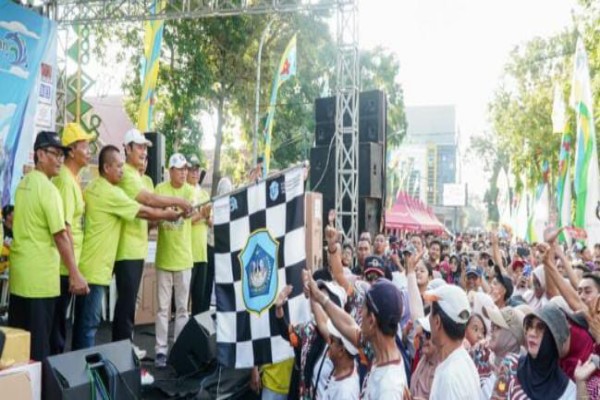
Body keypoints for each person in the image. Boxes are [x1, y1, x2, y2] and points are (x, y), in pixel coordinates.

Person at [72, 146, 181, 350]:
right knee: (89, 325)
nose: (122, 171)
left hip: (89, 263)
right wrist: (170, 213)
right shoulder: (111, 193)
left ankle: (81, 362)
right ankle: (84, 366)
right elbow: (144, 210)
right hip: (96, 268)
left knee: (82, 323)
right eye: (119, 166)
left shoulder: (93, 187)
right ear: (106, 168)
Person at [8, 131, 89, 361]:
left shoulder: (23, 185)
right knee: (40, 351)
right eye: (55, 153)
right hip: (41, 283)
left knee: (17, 350)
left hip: (20, 279)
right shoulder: (49, 190)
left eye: (62, 154)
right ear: (40, 155)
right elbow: (61, 235)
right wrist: (75, 273)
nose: (60, 159)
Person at [113, 129, 192, 344]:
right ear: (127, 148)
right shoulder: (126, 174)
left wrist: (163, 215)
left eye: (145, 148)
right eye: (139, 147)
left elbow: (148, 215)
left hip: (136, 249)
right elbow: (148, 201)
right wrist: (174, 206)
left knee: (130, 306)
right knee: (127, 307)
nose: (144, 152)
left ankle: (126, 349)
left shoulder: (138, 176)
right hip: (127, 250)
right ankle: (122, 353)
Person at [308, 276, 410, 398]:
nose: (360, 314)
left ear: (371, 321)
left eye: (363, 309)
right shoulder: (377, 349)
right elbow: (348, 325)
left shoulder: (388, 388)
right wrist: (319, 297)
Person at [50, 122, 94, 355]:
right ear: (71, 150)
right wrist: (73, 271)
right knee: (56, 329)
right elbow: (63, 229)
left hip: (66, 265)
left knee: (59, 326)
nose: (89, 151)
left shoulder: (72, 179)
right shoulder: (66, 182)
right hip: (61, 267)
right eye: (85, 146)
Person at [153, 153, 196, 367]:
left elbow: (191, 212)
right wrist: (165, 212)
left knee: (182, 309)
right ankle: (160, 351)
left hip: (184, 259)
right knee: (162, 309)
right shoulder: (160, 189)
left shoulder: (190, 190)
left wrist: (183, 211)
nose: (184, 172)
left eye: (185, 169)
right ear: (170, 170)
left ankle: (178, 349)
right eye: (179, 169)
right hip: (164, 258)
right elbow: (153, 214)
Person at [494, 303, 576, 399]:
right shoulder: (510, 365)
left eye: (540, 328)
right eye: (529, 326)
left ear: (553, 337)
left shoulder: (569, 391)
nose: (531, 333)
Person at [423, 284, 482, 399]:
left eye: (430, 313)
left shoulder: (450, 377)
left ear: (437, 322)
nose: (429, 318)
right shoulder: (461, 360)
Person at [470, 305, 525, 398]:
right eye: (492, 325)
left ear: (512, 337)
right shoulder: (481, 357)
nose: (491, 330)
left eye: (497, 327)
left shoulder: (520, 376)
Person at [187, 155, 211, 314]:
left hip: (202, 253)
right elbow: (184, 221)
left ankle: (195, 328)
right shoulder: (183, 191)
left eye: (197, 170)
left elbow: (211, 221)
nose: (195, 173)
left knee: (199, 299)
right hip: (186, 253)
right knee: (183, 300)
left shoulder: (204, 194)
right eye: (191, 170)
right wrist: (201, 215)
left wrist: (205, 216)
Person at [321, 320, 359, 400]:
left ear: (341, 351)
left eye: (331, 340)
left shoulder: (345, 393)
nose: (328, 343)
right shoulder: (345, 368)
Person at [410, 316, 439, 400]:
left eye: (428, 335)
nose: (423, 338)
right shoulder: (423, 359)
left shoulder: (440, 368)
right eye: (422, 334)